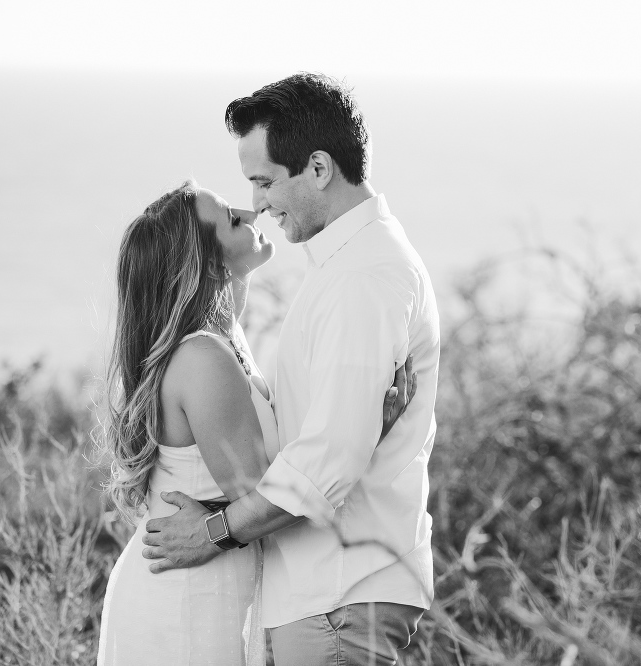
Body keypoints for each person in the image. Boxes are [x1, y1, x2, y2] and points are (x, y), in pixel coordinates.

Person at [141, 73, 441, 665]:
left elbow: (330, 455)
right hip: (321, 593)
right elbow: (326, 437)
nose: (257, 205)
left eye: (264, 182)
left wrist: (214, 531)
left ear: (320, 168)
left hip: (336, 592)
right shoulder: (344, 267)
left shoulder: (361, 278)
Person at [96, 181, 416, 666]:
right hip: (187, 598)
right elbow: (269, 503)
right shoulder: (204, 359)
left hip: (205, 582)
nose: (251, 210)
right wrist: (362, 433)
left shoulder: (222, 341)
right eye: (229, 217)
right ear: (207, 264)